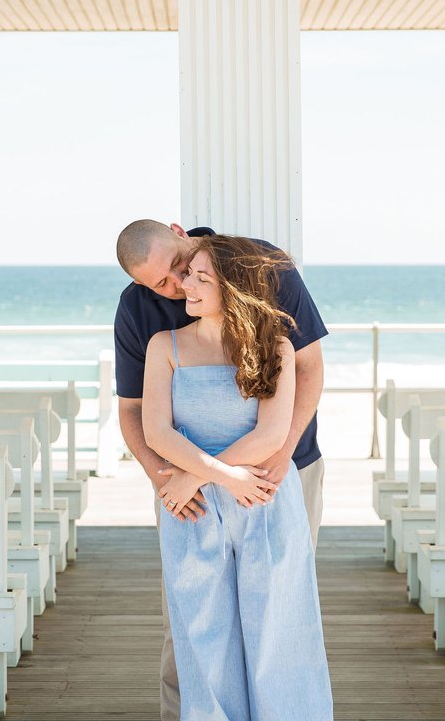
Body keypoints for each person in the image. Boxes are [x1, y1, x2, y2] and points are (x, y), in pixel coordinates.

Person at [113, 220, 328, 721]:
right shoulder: (149, 323)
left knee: (279, 621)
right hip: (188, 492)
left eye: (179, 269)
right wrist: (171, 481)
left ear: (178, 232)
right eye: (161, 285)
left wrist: (276, 455)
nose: (177, 285)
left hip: (276, 478)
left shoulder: (262, 266)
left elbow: (309, 369)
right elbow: (136, 415)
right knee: (191, 630)